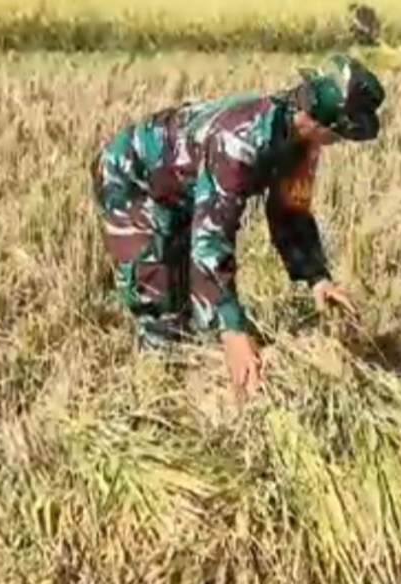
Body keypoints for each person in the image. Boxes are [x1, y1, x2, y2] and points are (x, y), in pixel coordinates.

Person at [89, 54, 386, 400]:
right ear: (317, 120)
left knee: (194, 309)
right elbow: (210, 242)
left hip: (186, 189)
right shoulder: (242, 141)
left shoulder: (302, 144)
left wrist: (316, 277)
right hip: (134, 181)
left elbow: (290, 213)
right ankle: (154, 404)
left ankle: (195, 392)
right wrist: (234, 332)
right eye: (339, 133)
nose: (337, 142)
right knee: (161, 309)